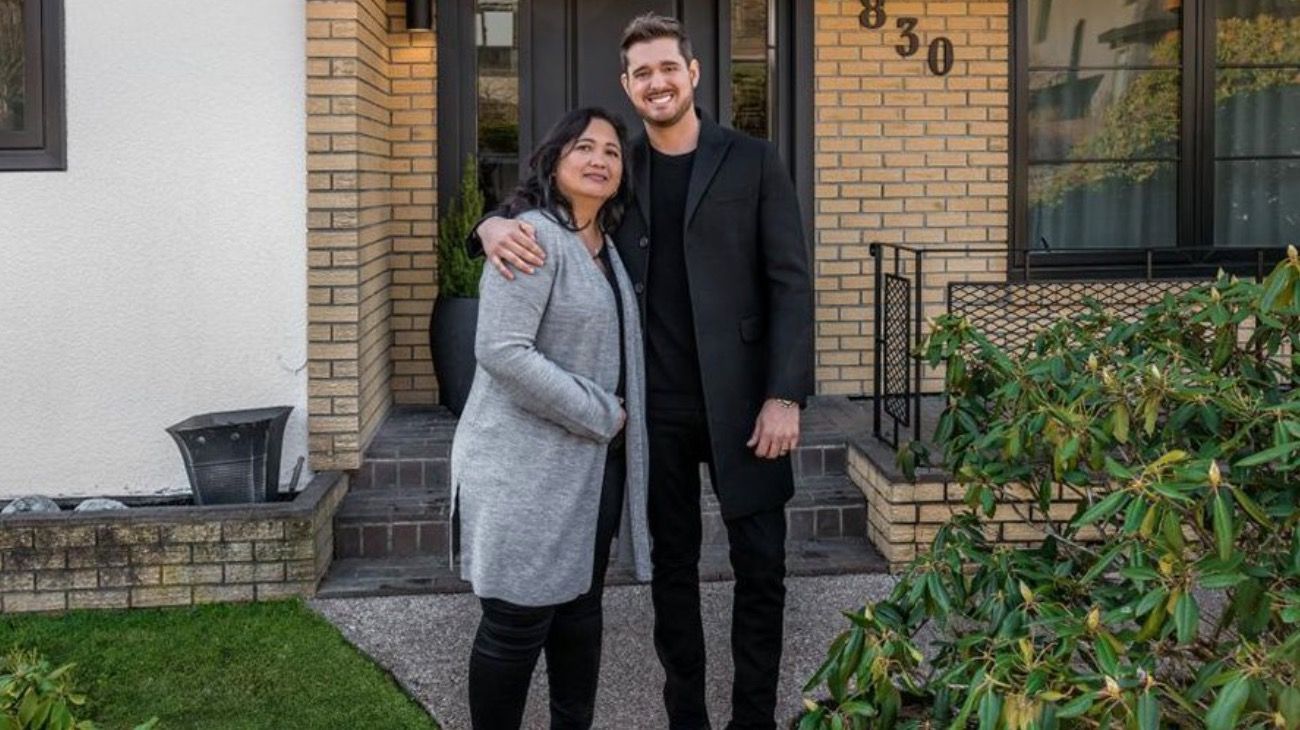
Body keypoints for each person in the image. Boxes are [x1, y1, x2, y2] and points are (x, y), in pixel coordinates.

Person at [472, 14, 814, 729]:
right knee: (672, 574)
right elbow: (547, 206)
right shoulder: (619, 168)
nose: (657, 82)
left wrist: (785, 393)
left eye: (668, 68)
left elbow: (790, 284)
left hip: (749, 407)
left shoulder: (753, 160)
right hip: (653, 410)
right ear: (629, 87)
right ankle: (684, 716)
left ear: (692, 74)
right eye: (642, 74)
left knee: (762, 571)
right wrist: (490, 227)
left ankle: (753, 717)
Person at [450, 106, 651, 730]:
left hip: (587, 475)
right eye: (584, 148)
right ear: (554, 160)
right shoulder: (530, 236)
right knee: (516, 625)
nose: (599, 160)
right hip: (523, 474)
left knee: (579, 614)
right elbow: (502, 352)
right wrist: (602, 413)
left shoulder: (607, 247)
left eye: (612, 152)